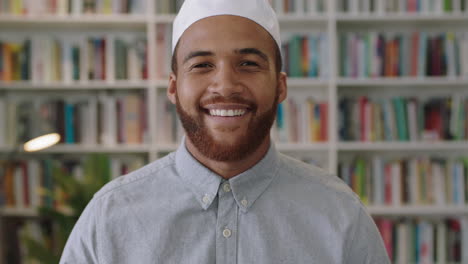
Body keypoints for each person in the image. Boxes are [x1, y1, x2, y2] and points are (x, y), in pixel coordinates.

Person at [60, 0, 390, 263]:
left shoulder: (340, 215)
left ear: (280, 85)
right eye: (202, 65)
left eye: (248, 64)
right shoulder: (110, 217)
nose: (225, 85)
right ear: (173, 87)